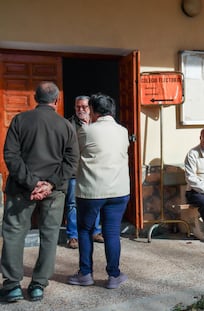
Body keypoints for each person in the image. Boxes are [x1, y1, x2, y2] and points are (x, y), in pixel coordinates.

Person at [0, 81, 79, 303]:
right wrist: (49, 184)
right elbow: (71, 162)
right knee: (49, 234)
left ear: (36, 99)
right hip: (54, 192)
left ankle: (12, 285)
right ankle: (38, 285)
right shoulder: (66, 126)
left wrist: (31, 182)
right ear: (57, 100)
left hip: (21, 189)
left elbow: (11, 156)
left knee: (14, 233)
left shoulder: (20, 120)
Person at [68, 93, 130, 289]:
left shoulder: (86, 131)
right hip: (119, 191)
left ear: (93, 111)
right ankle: (114, 276)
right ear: (111, 111)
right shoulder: (122, 130)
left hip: (91, 191)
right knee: (112, 233)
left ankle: (85, 274)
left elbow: (75, 153)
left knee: (85, 231)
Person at [65, 95, 103, 249]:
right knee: (73, 204)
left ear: (90, 108)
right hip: (75, 171)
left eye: (84, 107)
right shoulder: (68, 124)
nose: (80, 110)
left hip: (95, 171)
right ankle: (73, 236)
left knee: (96, 202)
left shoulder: (98, 124)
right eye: (78, 107)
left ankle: (95, 231)